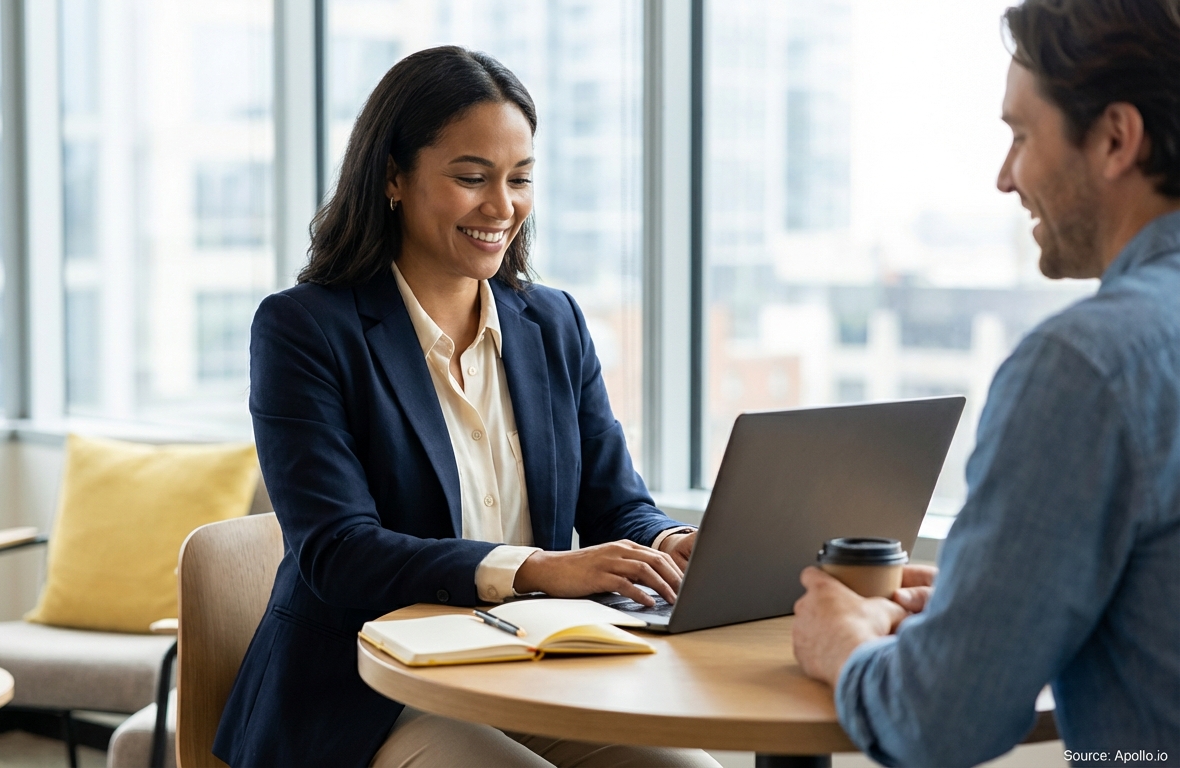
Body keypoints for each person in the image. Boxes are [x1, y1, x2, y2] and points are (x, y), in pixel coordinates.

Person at [213, 46, 718, 768]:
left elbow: (617, 506)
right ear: (393, 176)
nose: (502, 207)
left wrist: (665, 547)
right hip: (369, 696)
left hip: (531, 677)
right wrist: (535, 568)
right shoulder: (304, 329)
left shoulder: (554, 324)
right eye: (472, 178)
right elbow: (337, 553)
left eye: (520, 180)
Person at [791, 0, 1180, 764]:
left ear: (1114, 138)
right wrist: (999, 603)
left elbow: (941, 719)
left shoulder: (1084, 365)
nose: (1006, 179)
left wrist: (843, 645)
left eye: (1021, 135)